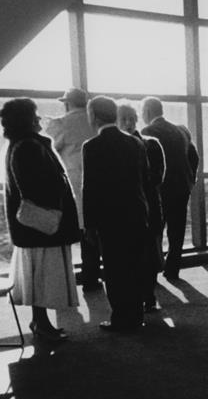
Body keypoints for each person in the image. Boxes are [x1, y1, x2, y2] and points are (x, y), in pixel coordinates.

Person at [0, 98, 80, 345]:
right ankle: (41, 324)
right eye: (33, 115)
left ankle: (41, 322)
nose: (38, 119)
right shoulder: (28, 147)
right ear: (25, 120)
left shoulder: (21, 145)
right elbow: (36, 186)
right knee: (43, 276)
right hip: (43, 224)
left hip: (33, 226)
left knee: (37, 275)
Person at [82, 96, 150, 332]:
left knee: (114, 270)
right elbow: (145, 181)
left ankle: (122, 318)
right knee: (135, 266)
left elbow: (89, 189)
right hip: (137, 214)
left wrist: (89, 225)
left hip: (109, 219)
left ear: (94, 116)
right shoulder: (136, 143)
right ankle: (138, 315)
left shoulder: (91, 146)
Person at [45, 87, 101, 288]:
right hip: (96, 185)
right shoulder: (94, 123)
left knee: (68, 235)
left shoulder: (61, 124)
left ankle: (65, 282)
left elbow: (51, 148)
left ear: (67, 103)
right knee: (91, 233)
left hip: (71, 185)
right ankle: (91, 277)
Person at [140, 97, 199, 281]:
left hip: (160, 189)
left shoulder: (148, 131)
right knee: (177, 229)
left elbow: (146, 163)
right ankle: (173, 269)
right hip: (181, 187)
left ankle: (154, 268)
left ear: (148, 112)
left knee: (155, 229)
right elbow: (193, 156)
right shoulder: (179, 130)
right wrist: (190, 179)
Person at [119, 102, 166, 313]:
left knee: (149, 254)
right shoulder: (121, 146)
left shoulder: (151, 144)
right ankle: (141, 297)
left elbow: (157, 177)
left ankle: (148, 295)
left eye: (131, 119)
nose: (128, 124)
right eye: (124, 119)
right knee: (133, 256)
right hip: (134, 208)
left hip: (147, 208)